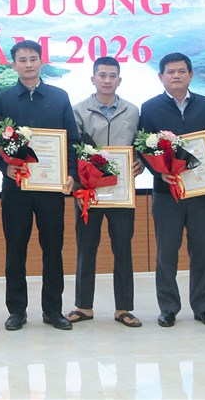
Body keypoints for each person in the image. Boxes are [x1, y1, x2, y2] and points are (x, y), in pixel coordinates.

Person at [0, 40, 78, 332]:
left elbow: (72, 141)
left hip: (51, 189)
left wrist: (71, 173)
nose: (28, 64)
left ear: (41, 62)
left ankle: (53, 310)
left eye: (33, 59)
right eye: (22, 60)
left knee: (53, 249)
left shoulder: (59, 97)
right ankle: (17, 311)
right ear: (14, 64)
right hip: (16, 188)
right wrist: (5, 167)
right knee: (16, 249)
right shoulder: (2, 99)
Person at [138, 52, 205, 328]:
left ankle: (203, 307)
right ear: (161, 77)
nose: (176, 76)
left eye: (181, 71)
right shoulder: (150, 108)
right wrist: (159, 172)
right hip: (166, 192)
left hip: (201, 191)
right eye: (170, 72)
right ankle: (168, 307)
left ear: (190, 74)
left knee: (202, 250)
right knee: (166, 252)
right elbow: (143, 148)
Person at [68, 56, 144, 328]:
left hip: (122, 192)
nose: (107, 80)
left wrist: (141, 163)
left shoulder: (133, 111)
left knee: (123, 248)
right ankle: (83, 306)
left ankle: (123, 308)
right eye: (102, 75)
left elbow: (140, 146)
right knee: (86, 248)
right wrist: (79, 184)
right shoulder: (78, 110)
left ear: (119, 80)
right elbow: (72, 150)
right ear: (93, 79)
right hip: (89, 192)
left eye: (113, 76)